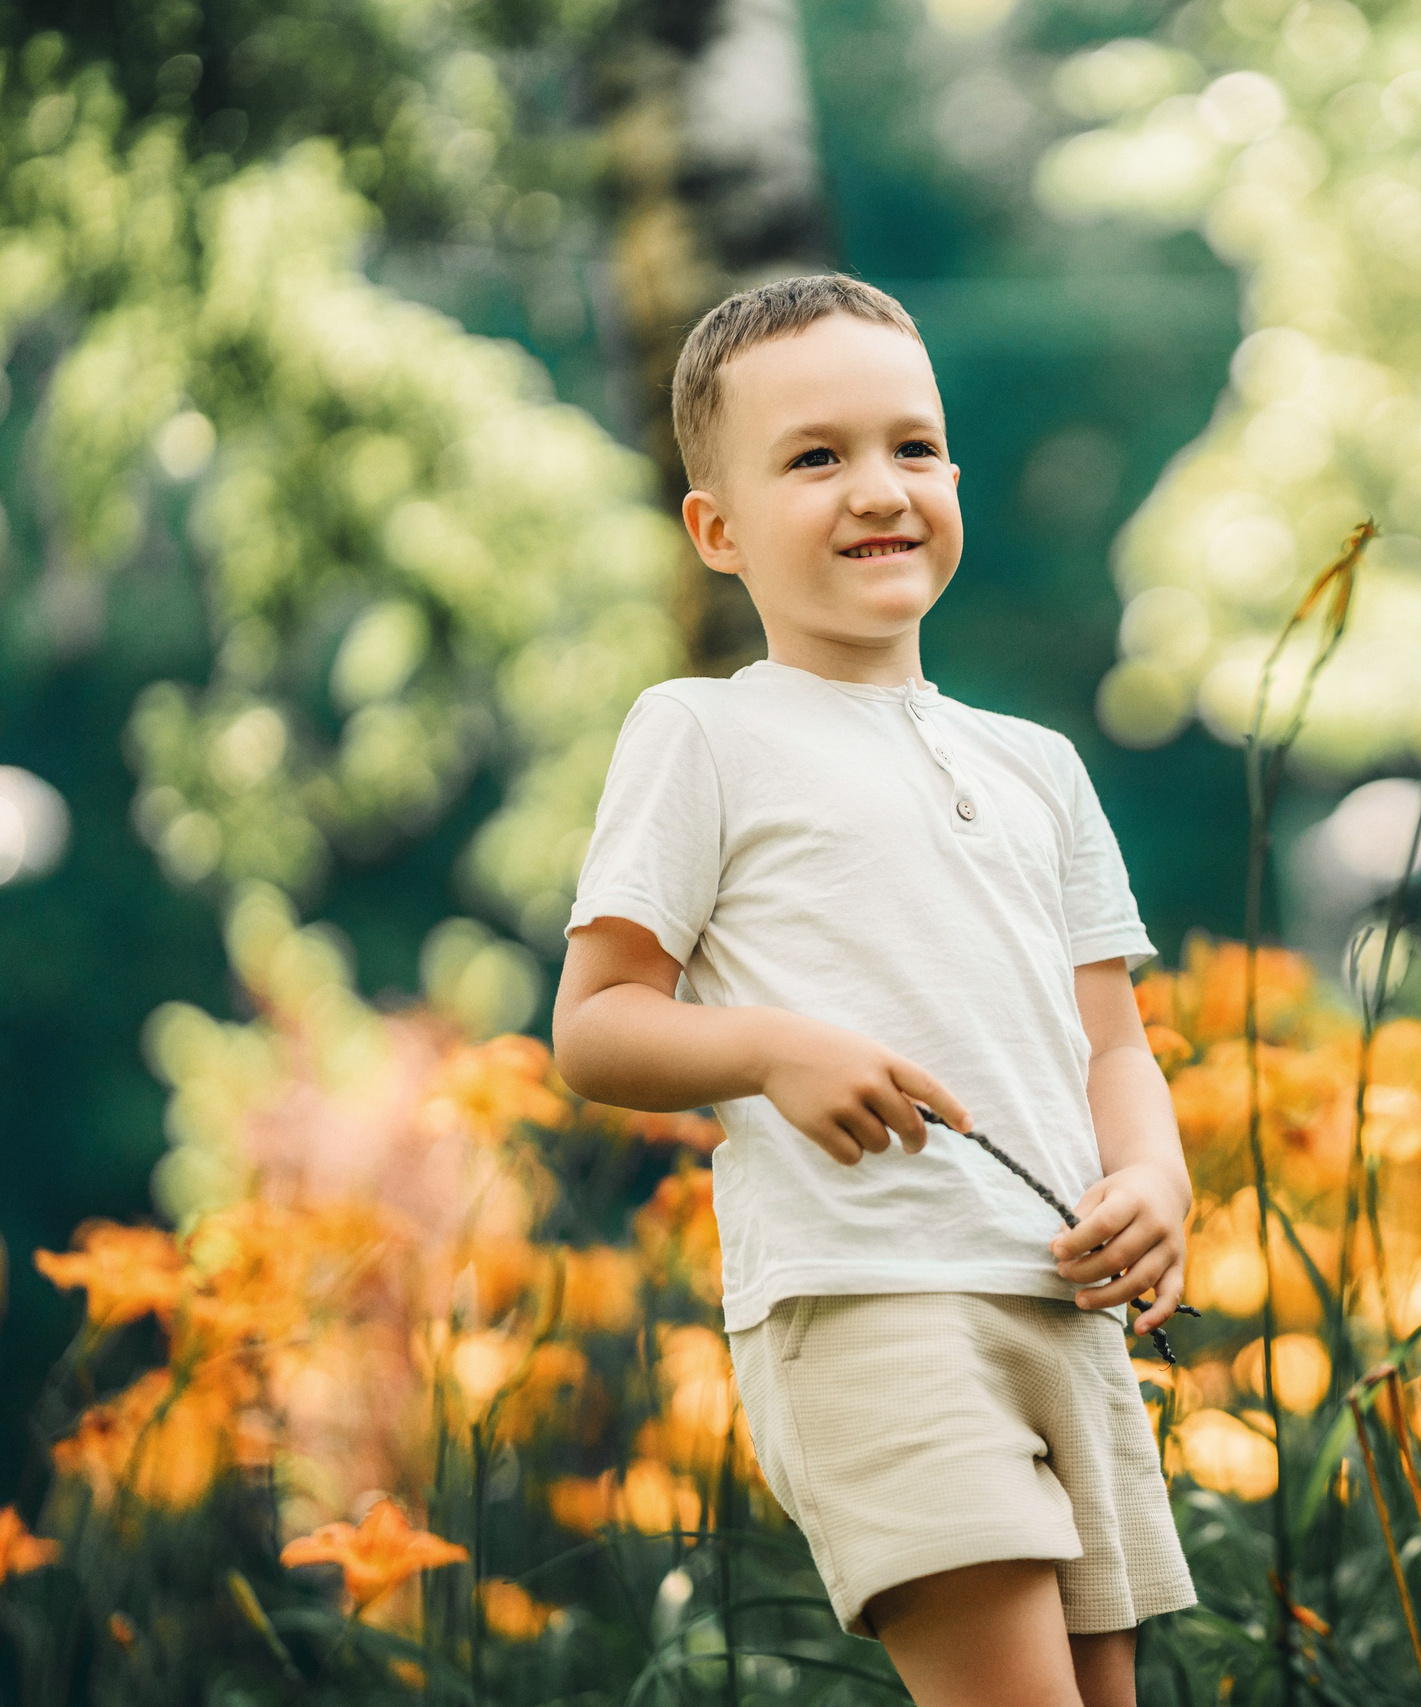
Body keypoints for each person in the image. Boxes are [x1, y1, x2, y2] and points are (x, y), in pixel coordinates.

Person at [551, 274, 1197, 1707]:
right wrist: (774, 1049)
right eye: (815, 457)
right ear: (717, 531)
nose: (879, 488)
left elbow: (1113, 1044)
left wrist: (1157, 1177)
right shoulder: (703, 732)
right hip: (869, 1300)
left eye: (914, 446)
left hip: (1062, 1304)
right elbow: (595, 1025)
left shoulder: (1039, 766)